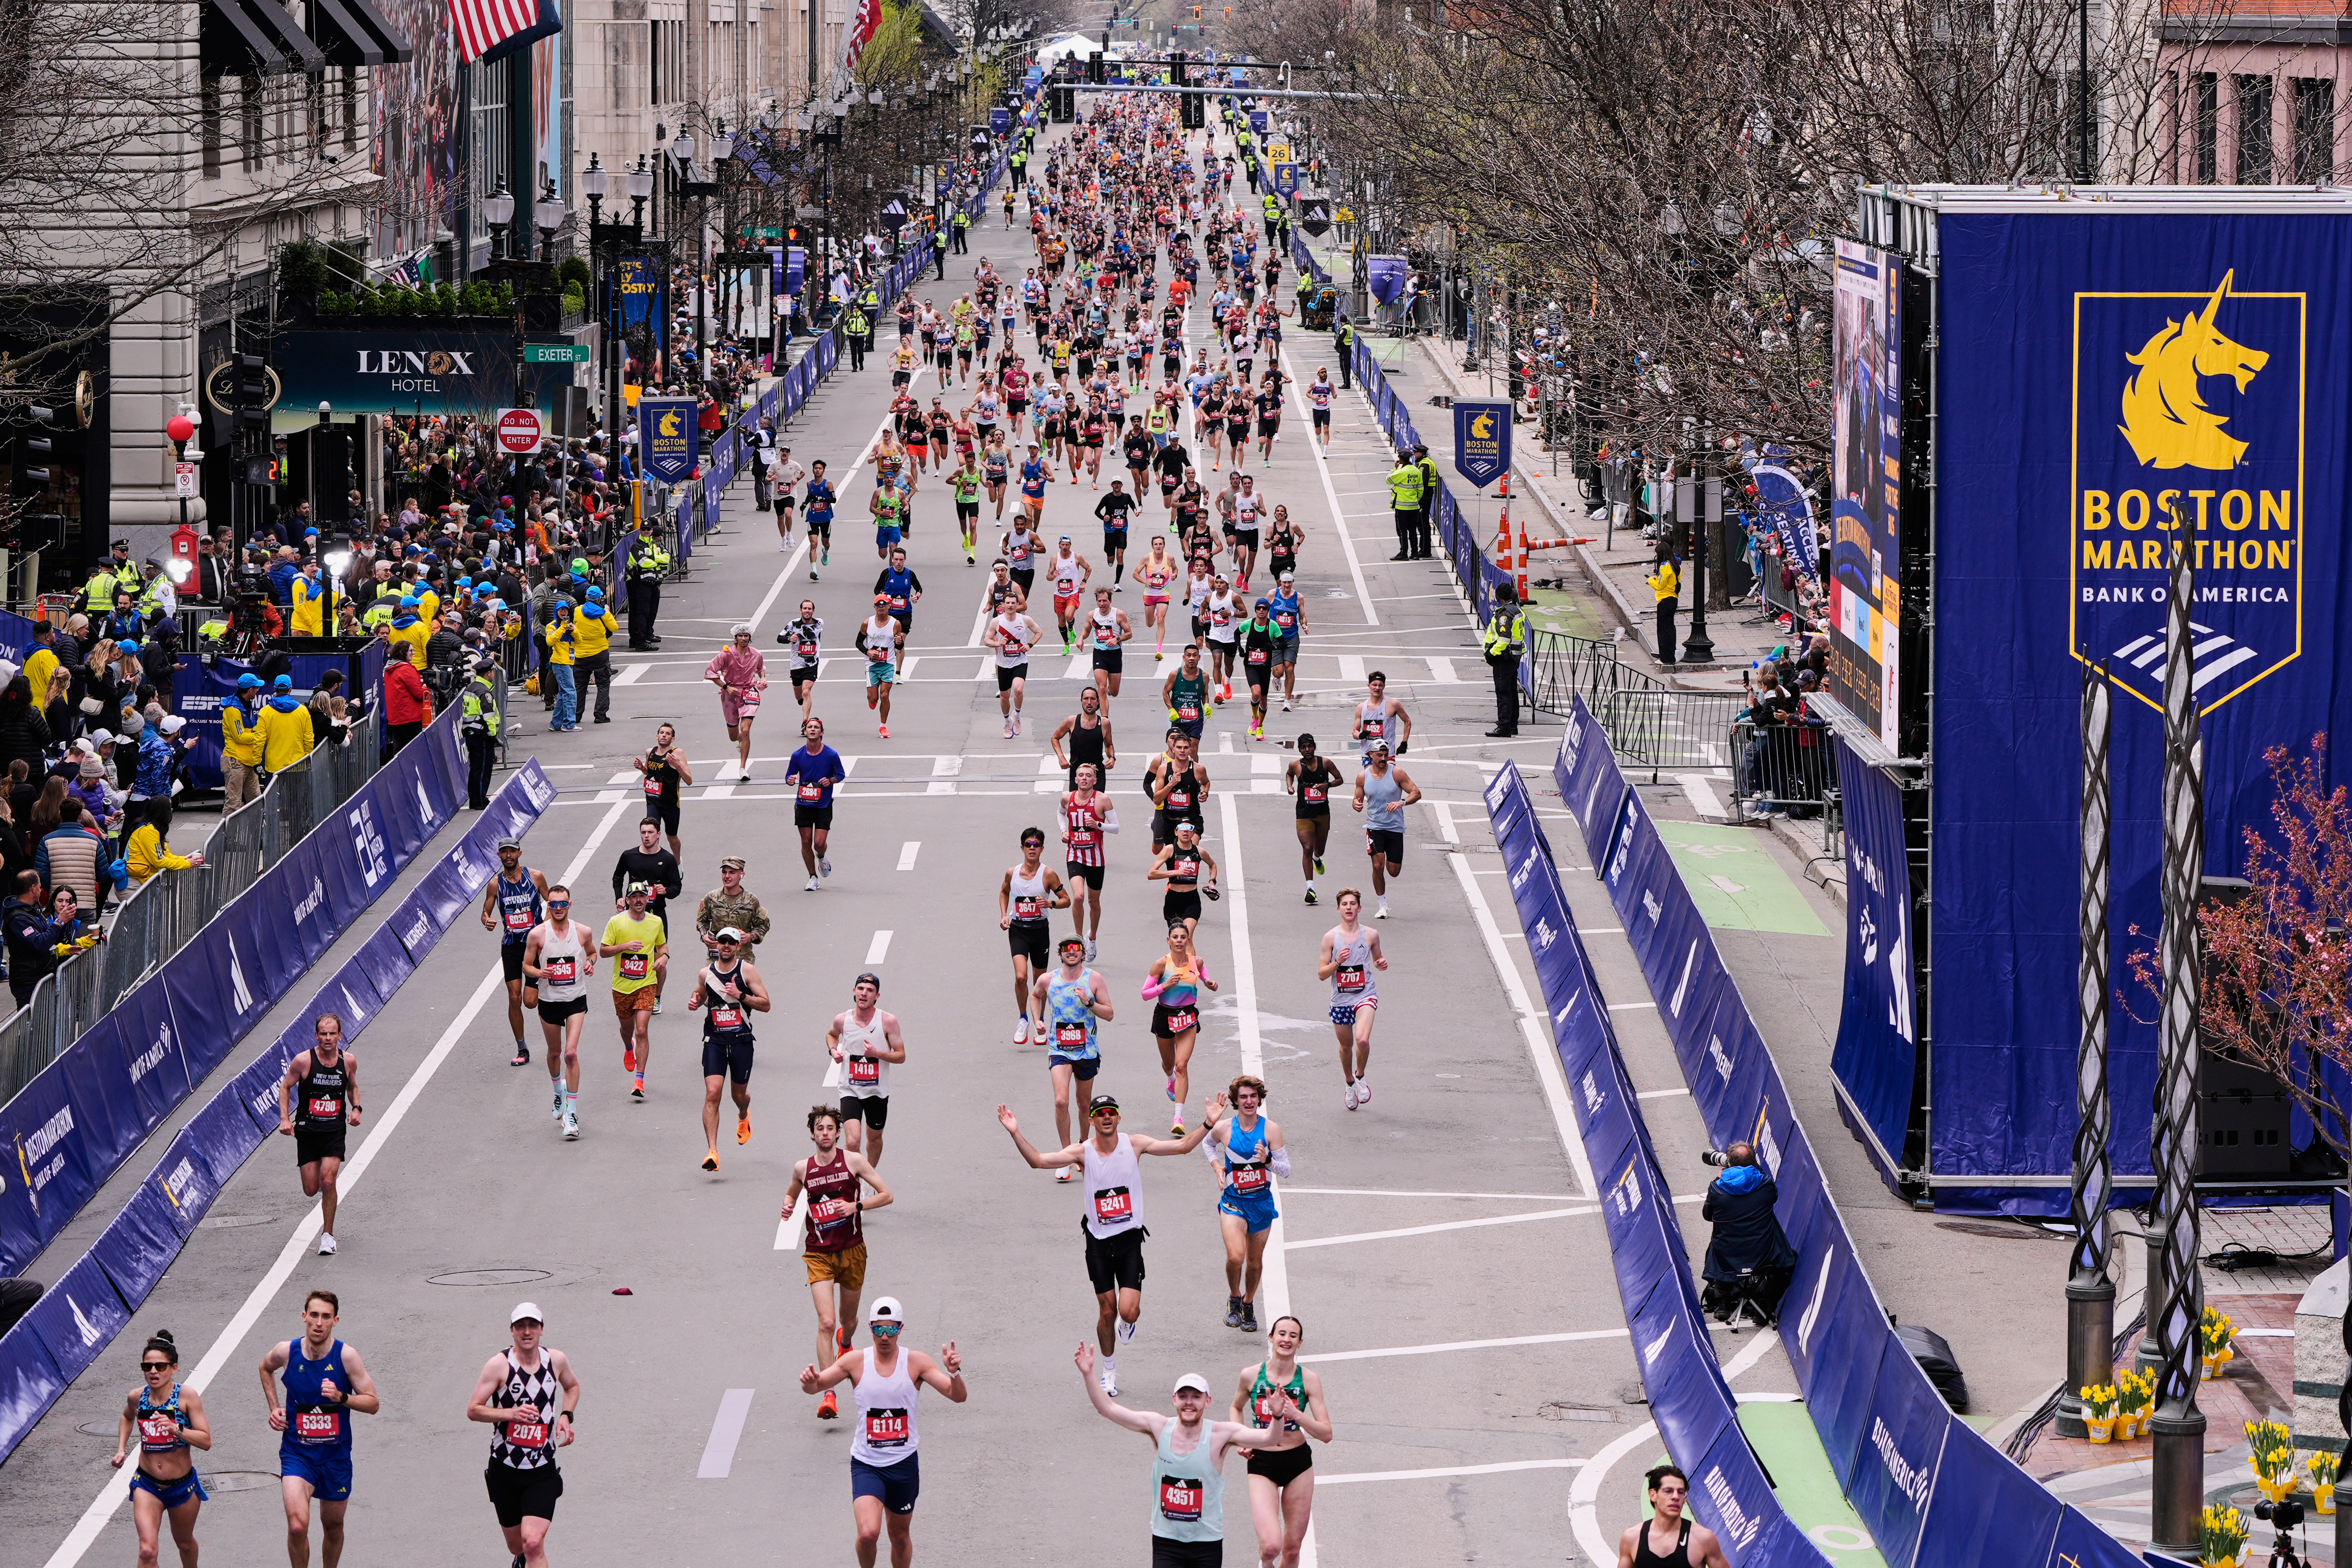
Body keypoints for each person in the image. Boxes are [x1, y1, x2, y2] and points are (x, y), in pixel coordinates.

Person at [998, 1093, 1226, 1397]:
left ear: (1119, 1118)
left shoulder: (1135, 1145)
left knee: (1128, 1312)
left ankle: (1127, 1323)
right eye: (1100, 1113)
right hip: (1098, 1241)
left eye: (1111, 1113)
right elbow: (1038, 1161)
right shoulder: (1082, 1152)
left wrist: (1209, 1122)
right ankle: (1109, 1370)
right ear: (1091, 1121)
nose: (1106, 1117)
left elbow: (1182, 1147)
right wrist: (1016, 1133)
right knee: (1107, 1311)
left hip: (1130, 1239)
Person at [1075, 1347, 1294, 1567]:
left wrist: (1277, 1414)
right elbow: (1108, 1409)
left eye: (1196, 1397)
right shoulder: (1158, 1427)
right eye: (1183, 1396)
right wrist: (1088, 1373)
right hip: (1166, 1541)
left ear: (1207, 1401)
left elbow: (1270, 1438)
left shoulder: (1221, 1434)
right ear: (1174, 1400)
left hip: (1207, 1541)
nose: (1189, 1402)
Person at [798, 1298, 966, 1568]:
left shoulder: (917, 1363)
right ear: (870, 1328)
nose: (885, 1337)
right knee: (868, 1534)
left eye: (891, 1330)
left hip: (903, 1465)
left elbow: (957, 1397)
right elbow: (817, 1386)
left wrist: (955, 1374)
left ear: (901, 1328)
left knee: (899, 1538)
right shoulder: (855, 1362)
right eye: (878, 1330)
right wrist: (809, 1382)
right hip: (867, 1464)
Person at [783, 1105, 895, 1418]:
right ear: (813, 1134)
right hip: (818, 1253)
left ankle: (845, 1343)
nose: (826, 1133)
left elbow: (887, 1195)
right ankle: (828, 1392)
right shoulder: (803, 1169)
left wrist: (856, 1206)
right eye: (820, 1129)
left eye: (831, 1128)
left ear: (837, 1132)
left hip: (852, 1250)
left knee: (847, 1324)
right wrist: (788, 1207)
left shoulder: (854, 1162)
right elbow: (791, 1194)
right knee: (826, 1323)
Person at [260, 1289, 381, 1568]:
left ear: (335, 1321)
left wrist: (343, 1397)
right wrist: (275, 1407)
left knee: (334, 1526)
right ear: (304, 1317)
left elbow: (373, 1403)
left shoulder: (346, 1356)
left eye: (326, 1317)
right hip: (297, 1454)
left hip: (335, 1457)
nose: (319, 1322)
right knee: (298, 1527)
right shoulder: (287, 1351)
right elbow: (265, 1367)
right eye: (314, 1315)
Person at [466, 1304, 580, 1568]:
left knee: (533, 1542)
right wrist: (510, 1414)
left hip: (541, 1469)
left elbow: (572, 1386)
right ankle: (520, 1559)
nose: (527, 1332)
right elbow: (473, 1410)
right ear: (512, 1331)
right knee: (518, 1545)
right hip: (505, 1468)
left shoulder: (555, 1360)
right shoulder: (499, 1365)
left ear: (541, 1330)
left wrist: (566, 1415)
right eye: (520, 1327)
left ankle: (528, 1556)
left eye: (532, 1326)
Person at [1230, 1317, 1334, 1568]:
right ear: (1272, 1337)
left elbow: (1326, 1433)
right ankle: (1266, 1565)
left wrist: (1297, 1415)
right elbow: (1236, 1407)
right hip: (1262, 1462)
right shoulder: (1251, 1375)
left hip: (1297, 1462)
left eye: (1293, 1336)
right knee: (1270, 1547)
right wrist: (1240, 1438)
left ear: (1300, 1343)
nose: (1286, 1340)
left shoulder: (1309, 1380)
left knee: (1291, 1551)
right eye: (1282, 1334)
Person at [112, 1330, 212, 1568]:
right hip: (147, 1484)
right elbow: (127, 1417)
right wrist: (121, 1449)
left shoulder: (186, 1397)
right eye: (148, 1367)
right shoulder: (137, 1397)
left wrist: (176, 1429)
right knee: (147, 1552)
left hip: (182, 1487)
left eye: (160, 1366)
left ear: (174, 1368)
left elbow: (206, 1441)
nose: (153, 1372)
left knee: (185, 1544)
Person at [1207, 1075, 1290, 1333]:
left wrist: (1268, 1162)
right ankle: (1234, 1297)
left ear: (1260, 1099)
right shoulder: (1223, 1129)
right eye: (1244, 1097)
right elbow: (1207, 1144)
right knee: (1236, 1256)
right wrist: (1217, 1166)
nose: (1249, 1101)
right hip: (1233, 1202)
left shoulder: (1271, 1130)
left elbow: (1286, 1170)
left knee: (1254, 1263)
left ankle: (1248, 1304)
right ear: (1236, 1101)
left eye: (1253, 1096)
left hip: (1261, 1203)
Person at [687, 926, 770, 1171]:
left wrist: (740, 995)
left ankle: (744, 1115)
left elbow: (766, 1004)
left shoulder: (747, 971)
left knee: (738, 1096)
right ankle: (712, 1151)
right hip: (714, 1041)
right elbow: (701, 995)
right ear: (716, 945)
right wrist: (695, 1001)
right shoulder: (706, 973)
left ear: (738, 947)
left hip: (741, 1041)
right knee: (713, 1094)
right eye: (722, 941)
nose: (726, 946)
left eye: (731, 943)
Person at [277, 1013, 360, 1256]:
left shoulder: (348, 1062)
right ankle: (326, 1229)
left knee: (328, 1181)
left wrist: (356, 1109)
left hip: (334, 1131)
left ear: (340, 1036)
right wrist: (284, 1118)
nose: (328, 1038)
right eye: (323, 1034)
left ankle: (328, 1236)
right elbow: (286, 1086)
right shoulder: (303, 1061)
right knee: (312, 1189)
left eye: (332, 1034)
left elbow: (353, 1086)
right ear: (316, 1036)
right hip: (308, 1131)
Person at [521, 887, 595, 1140]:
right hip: (549, 1000)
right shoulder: (538, 935)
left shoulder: (583, 931)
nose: (559, 908)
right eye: (554, 904)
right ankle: (558, 1091)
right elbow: (526, 965)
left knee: (571, 1054)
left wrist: (590, 963)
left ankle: (571, 1115)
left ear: (570, 904)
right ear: (548, 906)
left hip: (576, 1000)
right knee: (554, 1053)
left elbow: (593, 952)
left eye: (563, 903)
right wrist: (538, 973)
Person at [1699, 1142, 1798, 1324]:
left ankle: (1723, 1303)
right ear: (1753, 1163)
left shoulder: (1717, 1188)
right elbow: (1773, 1194)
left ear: (1729, 1163)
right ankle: (1763, 1307)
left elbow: (1708, 1216)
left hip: (1728, 1259)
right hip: (1763, 1257)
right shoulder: (1766, 1186)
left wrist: (1719, 1179)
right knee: (1791, 1259)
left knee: (1719, 1242)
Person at [1143, 919, 1218, 1132]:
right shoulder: (1161, 965)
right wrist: (1164, 986)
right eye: (1175, 937)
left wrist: (1210, 983)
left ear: (1188, 940)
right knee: (1169, 1065)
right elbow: (1145, 994)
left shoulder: (1196, 962)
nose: (1179, 941)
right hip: (1164, 1015)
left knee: (1182, 1065)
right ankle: (1170, 1079)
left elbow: (1205, 976)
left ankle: (1178, 1119)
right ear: (1169, 941)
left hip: (1187, 1017)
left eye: (1183, 937)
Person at [1000, 826, 1072, 1045]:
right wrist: (1005, 915)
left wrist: (1050, 903)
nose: (1032, 849)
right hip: (1019, 930)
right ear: (1022, 848)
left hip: (1040, 931)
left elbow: (1066, 900)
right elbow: (1004, 892)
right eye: (1028, 845)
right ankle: (1023, 1019)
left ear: (1042, 849)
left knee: (1039, 981)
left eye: (1036, 845)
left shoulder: (1048, 874)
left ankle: (1040, 1022)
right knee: (1021, 977)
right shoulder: (1012, 873)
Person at [483, 836, 550, 1066]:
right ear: (500, 856)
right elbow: (486, 912)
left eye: (513, 851)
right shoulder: (495, 884)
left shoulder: (536, 877)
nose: (509, 855)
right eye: (505, 852)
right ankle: (522, 1049)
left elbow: (552, 901)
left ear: (520, 854)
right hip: (511, 945)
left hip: (534, 945)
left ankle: (551, 1004)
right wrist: (487, 921)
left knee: (531, 1002)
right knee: (514, 997)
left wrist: (546, 927)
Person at [1318, 890, 1388, 1109]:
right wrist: (1337, 962)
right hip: (1341, 1000)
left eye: (1353, 904)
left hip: (1365, 994)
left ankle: (1360, 1076)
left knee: (1363, 1040)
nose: (1349, 908)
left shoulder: (1371, 935)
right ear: (1339, 909)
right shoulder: (1330, 938)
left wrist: (1381, 963)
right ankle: (1349, 1083)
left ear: (1360, 908)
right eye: (1345, 904)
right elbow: (1322, 974)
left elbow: (1377, 958)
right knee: (1346, 1047)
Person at [828, 971, 906, 1164]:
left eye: (870, 990)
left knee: (874, 1140)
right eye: (861, 989)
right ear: (854, 991)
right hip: (850, 1088)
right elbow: (832, 1035)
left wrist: (877, 1054)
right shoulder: (842, 1019)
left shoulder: (888, 1021)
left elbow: (901, 1056)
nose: (864, 994)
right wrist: (833, 1051)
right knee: (853, 1141)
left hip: (877, 1091)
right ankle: (852, 1182)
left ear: (877, 996)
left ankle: (870, 1176)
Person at [599, 880, 667, 1102]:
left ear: (647, 900)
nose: (638, 900)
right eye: (634, 897)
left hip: (646, 984)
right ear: (627, 900)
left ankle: (640, 1079)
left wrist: (664, 958)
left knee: (642, 1031)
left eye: (642, 896)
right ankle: (629, 1048)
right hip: (622, 986)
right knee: (627, 1030)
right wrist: (624, 947)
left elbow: (662, 946)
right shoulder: (616, 922)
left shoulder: (656, 922)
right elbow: (603, 951)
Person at [1352, 741, 1421, 918]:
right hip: (1374, 827)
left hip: (1395, 828)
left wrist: (1402, 802)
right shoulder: (1363, 777)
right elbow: (1357, 798)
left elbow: (1416, 792)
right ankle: (1383, 906)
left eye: (1385, 755)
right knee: (1378, 865)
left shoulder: (1396, 773)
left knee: (1394, 871)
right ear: (1371, 756)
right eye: (1379, 755)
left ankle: (1384, 901)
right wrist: (1357, 804)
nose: (1383, 759)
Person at [1616, 1464, 1731, 1568]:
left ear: (1685, 1499)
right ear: (1653, 1495)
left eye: (1681, 1492)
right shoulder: (1632, 1538)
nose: (1676, 1497)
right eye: (1668, 1491)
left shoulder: (1703, 1539)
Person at [1059, 762, 1118, 959]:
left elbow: (1116, 827)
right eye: (1081, 775)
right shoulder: (1067, 798)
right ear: (1076, 779)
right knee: (1078, 897)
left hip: (1096, 858)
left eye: (1088, 776)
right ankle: (1078, 939)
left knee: (1094, 902)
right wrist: (1064, 831)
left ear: (1095, 780)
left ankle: (1091, 937)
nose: (1084, 778)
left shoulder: (1103, 800)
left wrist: (1099, 824)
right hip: (1075, 855)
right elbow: (1060, 814)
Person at [785, 716, 848, 889]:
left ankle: (821, 856)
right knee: (806, 842)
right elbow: (789, 775)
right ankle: (813, 877)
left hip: (823, 805)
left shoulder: (831, 755)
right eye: (809, 727)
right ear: (805, 732)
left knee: (819, 843)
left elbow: (841, 775)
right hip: (804, 804)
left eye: (816, 727)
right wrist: (790, 780)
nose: (812, 730)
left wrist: (831, 780)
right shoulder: (798, 755)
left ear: (822, 733)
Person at [705, 625, 768, 781]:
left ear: (750, 638)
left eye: (746, 636)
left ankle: (743, 769)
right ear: (736, 638)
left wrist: (763, 678)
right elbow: (710, 672)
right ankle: (739, 741)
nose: (744, 639)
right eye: (741, 636)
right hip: (730, 695)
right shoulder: (726, 654)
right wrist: (726, 687)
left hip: (749, 692)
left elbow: (761, 668)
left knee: (745, 731)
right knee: (734, 736)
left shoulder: (756, 654)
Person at [1285, 735, 1342, 906]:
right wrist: (1289, 786)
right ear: (1300, 750)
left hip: (1323, 813)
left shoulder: (1326, 763)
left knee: (1319, 850)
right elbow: (1289, 775)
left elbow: (1340, 779)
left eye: (1310, 746)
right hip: (1304, 814)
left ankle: (1318, 859)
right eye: (1304, 747)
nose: (1307, 750)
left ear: (1315, 747)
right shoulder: (1295, 765)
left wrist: (1328, 785)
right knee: (1307, 848)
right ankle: (1310, 889)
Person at [633, 724, 693, 861]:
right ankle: (653, 863)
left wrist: (677, 765)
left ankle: (677, 862)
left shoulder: (677, 754)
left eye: (668, 733)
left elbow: (689, 780)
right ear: (657, 736)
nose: (664, 735)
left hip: (671, 803)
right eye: (662, 733)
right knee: (651, 831)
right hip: (653, 800)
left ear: (673, 739)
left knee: (672, 837)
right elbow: (649, 772)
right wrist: (642, 768)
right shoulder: (650, 752)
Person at [985, 595, 1041, 739]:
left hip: (1020, 662)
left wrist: (1030, 645)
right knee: (1004, 697)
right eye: (1008, 603)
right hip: (1003, 664)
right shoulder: (997, 621)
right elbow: (987, 640)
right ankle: (1007, 721)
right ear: (1004, 605)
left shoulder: (1025, 620)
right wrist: (998, 644)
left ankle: (1017, 715)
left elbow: (1039, 632)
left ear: (1017, 605)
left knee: (1018, 689)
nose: (1010, 605)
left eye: (1013, 603)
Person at [1053, 680, 1116, 792]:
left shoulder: (1105, 723)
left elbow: (1109, 745)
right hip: (1078, 773)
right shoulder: (1072, 721)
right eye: (1086, 699)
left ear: (1098, 702)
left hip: (1097, 773)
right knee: (1076, 805)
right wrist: (1061, 757)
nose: (1089, 702)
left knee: (1097, 807)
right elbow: (1055, 738)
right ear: (1082, 701)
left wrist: (1112, 758)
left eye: (1093, 699)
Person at [1483, 584, 1528, 738]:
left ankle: (1504, 726)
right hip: (1514, 657)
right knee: (1511, 691)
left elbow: (1504, 638)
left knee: (1503, 693)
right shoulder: (1516, 610)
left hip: (1504, 657)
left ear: (1500, 597)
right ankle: (1512, 725)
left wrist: (1492, 653)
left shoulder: (1505, 613)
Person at [856, 598, 904, 740]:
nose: (881, 607)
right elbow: (858, 642)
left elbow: (899, 647)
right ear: (875, 607)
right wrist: (868, 652)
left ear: (889, 606)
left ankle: (883, 726)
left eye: (884, 605)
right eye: (879, 605)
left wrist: (899, 643)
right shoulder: (867, 623)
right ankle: (872, 700)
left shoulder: (895, 624)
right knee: (873, 698)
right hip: (872, 665)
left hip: (888, 664)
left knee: (885, 695)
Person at [777, 599, 826, 721]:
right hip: (796, 664)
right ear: (801, 611)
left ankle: (805, 721)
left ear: (813, 611)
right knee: (799, 695)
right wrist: (789, 638)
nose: (807, 611)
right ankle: (800, 700)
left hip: (812, 663)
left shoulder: (819, 623)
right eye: (805, 609)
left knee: (806, 692)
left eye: (810, 609)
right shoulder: (793, 624)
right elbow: (779, 638)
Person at [1350, 671, 1411, 762]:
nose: (1377, 688)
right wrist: (1360, 735)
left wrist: (1404, 743)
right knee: (1370, 777)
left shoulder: (1393, 704)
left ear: (1384, 687)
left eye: (1380, 685)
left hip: (1387, 753)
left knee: (1388, 776)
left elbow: (1407, 721)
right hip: (1368, 753)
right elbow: (1355, 731)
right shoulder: (1361, 707)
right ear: (1369, 686)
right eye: (1374, 685)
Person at [1386, 449, 1426, 561]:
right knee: (1413, 531)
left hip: (1402, 507)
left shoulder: (1401, 472)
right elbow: (1420, 488)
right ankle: (1415, 553)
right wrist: (1416, 500)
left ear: (1401, 459)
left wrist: (1394, 468)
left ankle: (1404, 553)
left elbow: (1389, 480)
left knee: (1402, 531)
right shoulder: (1416, 471)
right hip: (1414, 506)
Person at [1647, 545, 1680, 668]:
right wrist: (1658, 579)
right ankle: (1669, 655)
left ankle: (1666, 658)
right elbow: (1672, 579)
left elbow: (1660, 586)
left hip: (1665, 599)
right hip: (1673, 598)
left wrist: (1651, 580)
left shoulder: (1664, 566)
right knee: (1670, 629)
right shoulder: (1675, 564)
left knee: (1663, 630)